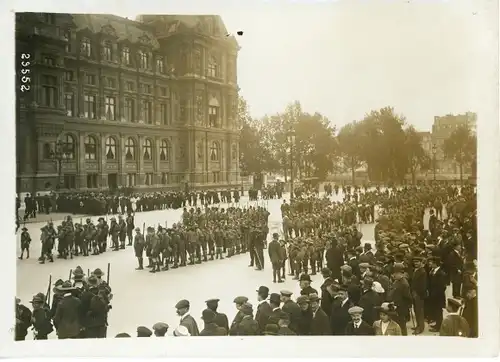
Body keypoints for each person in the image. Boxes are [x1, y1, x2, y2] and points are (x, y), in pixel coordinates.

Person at [387, 263, 412, 336]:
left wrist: (401, 306)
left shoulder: (404, 283)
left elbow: (408, 298)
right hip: (395, 306)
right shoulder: (397, 281)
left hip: (400, 309)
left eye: (395, 273)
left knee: (401, 326)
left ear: (400, 273)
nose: (393, 275)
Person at [411, 256, 428, 335]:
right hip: (415, 294)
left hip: (419, 295)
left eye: (417, 262)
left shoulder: (422, 272)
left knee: (420, 312)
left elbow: (423, 286)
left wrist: (416, 293)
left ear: (421, 263)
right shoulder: (416, 270)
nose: (416, 263)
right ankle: (418, 325)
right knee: (416, 311)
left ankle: (420, 328)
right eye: (415, 262)